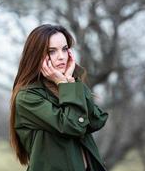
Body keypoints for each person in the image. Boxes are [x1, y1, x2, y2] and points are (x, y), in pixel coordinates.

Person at [10, 24, 109, 171]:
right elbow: (72, 125)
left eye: (64, 49)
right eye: (52, 51)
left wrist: (71, 81)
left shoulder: (67, 84)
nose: (61, 56)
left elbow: (96, 120)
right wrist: (65, 84)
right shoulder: (27, 97)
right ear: (36, 55)